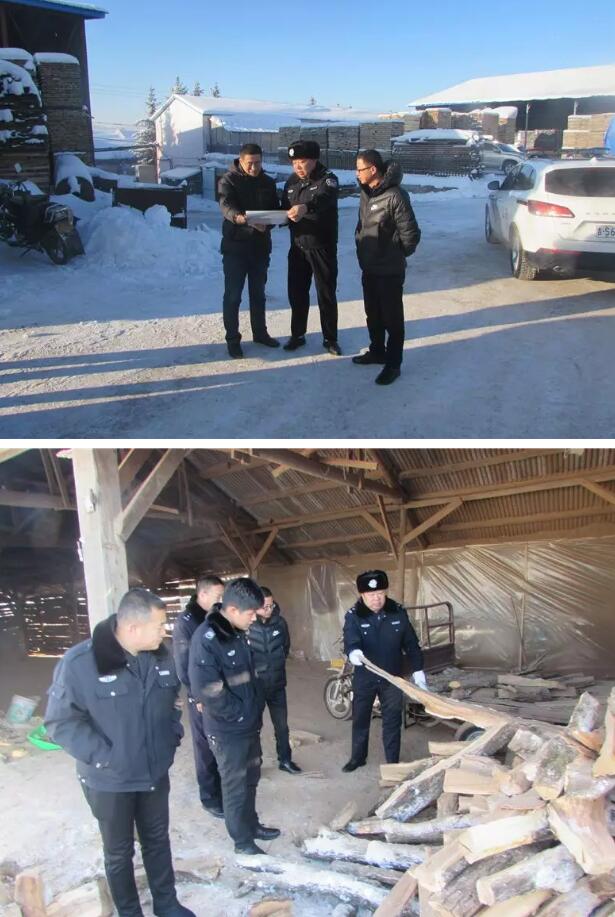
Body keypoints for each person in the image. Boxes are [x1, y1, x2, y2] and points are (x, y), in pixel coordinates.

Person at [44, 588, 195, 917]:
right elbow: (60, 722)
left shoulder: (162, 656)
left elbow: (172, 702)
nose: (164, 631)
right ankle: (130, 912)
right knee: (119, 852)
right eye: (159, 625)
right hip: (109, 780)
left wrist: (171, 736)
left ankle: (166, 903)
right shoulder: (81, 663)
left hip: (154, 772)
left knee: (157, 840)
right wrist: (107, 758)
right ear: (132, 628)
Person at [188, 577, 280, 856]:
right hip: (228, 729)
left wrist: (254, 708)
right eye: (251, 613)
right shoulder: (207, 639)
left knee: (251, 778)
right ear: (232, 610)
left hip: (248, 724)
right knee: (235, 785)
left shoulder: (238, 630)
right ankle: (241, 841)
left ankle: (251, 825)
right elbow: (209, 691)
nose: (255, 618)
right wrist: (241, 715)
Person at [342, 570, 426, 772]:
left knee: (392, 720)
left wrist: (418, 670)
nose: (376, 598)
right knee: (360, 718)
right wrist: (353, 651)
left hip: (392, 677)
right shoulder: (354, 616)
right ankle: (358, 758)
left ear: (386, 592)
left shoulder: (397, 612)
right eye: (371, 594)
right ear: (362, 595)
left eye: (380, 593)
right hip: (365, 677)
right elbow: (350, 638)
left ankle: (392, 761)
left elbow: (411, 643)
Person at [353, 149, 421, 385]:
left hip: (389, 271)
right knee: (373, 314)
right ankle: (377, 352)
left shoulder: (395, 196)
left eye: (360, 169)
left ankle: (393, 364)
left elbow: (411, 235)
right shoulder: (366, 192)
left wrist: (393, 253)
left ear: (373, 169)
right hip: (369, 267)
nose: (357, 174)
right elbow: (363, 225)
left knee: (392, 319)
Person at [218, 143, 281, 359]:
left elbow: (274, 210)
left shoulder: (268, 182)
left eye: (258, 163)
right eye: (250, 163)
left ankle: (260, 333)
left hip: (260, 248)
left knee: (258, 294)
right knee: (233, 296)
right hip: (235, 248)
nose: (254, 167)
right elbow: (226, 206)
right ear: (241, 160)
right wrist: (240, 218)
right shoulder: (228, 180)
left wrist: (272, 221)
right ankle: (233, 340)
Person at [282, 140, 341, 356]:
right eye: (294, 162)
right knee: (296, 293)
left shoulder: (328, 180)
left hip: (321, 247)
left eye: (302, 161)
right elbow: (284, 209)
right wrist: (267, 217)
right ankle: (297, 335)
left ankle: (330, 338)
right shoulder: (291, 182)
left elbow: (324, 199)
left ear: (314, 160)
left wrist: (305, 207)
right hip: (298, 247)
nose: (297, 166)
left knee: (325, 293)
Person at [172, 574, 224, 817]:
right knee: (204, 746)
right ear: (202, 594)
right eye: (217, 595)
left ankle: (223, 787)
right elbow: (183, 666)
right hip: (201, 696)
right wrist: (198, 696)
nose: (221, 599)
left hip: (219, 691)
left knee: (220, 740)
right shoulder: (186, 623)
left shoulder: (215, 617)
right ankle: (210, 797)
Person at [249, 586, 301, 774]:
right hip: (255, 687)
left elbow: (285, 647)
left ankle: (285, 760)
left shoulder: (280, 623)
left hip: (277, 684)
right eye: (264, 607)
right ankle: (254, 766)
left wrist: (276, 665)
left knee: (282, 726)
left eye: (271, 605)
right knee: (253, 728)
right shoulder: (247, 626)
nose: (269, 610)